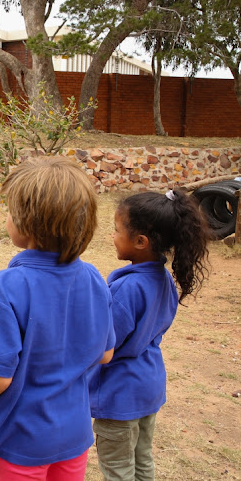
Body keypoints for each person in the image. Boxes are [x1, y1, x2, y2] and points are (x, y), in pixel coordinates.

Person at [0, 156, 115, 480]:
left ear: (27, 225)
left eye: (11, 212)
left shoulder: (6, 287)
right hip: (75, 435)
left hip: (23, 440)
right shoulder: (94, 277)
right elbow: (106, 353)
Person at [89, 189, 210, 480]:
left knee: (118, 469)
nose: (113, 236)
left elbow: (105, 345)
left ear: (141, 242)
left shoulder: (127, 289)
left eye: (117, 230)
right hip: (148, 386)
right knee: (142, 461)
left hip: (120, 394)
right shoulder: (164, 279)